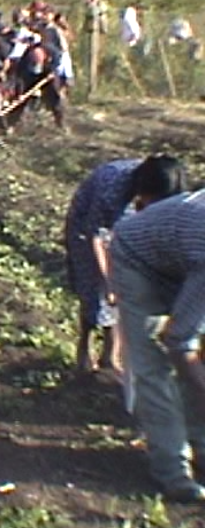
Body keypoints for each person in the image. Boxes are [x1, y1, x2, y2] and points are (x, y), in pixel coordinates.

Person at [110, 190, 205, 503]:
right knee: (154, 366)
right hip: (137, 259)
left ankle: (201, 445)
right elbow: (180, 343)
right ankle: (173, 472)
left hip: (181, 256)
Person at [65, 155, 187, 372]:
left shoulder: (162, 184)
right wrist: (109, 280)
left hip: (125, 233)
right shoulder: (110, 189)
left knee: (127, 291)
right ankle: (84, 349)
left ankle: (111, 356)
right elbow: (95, 236)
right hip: (86, 230)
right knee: (94, 289)